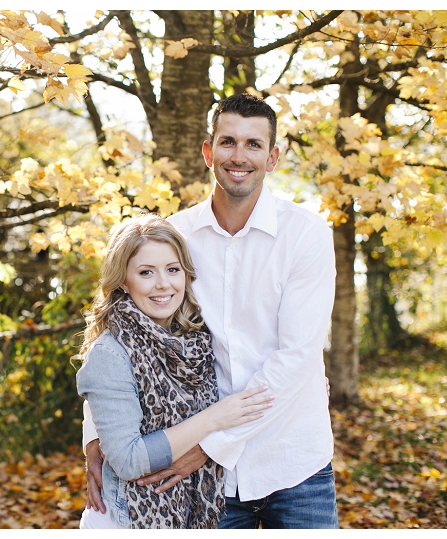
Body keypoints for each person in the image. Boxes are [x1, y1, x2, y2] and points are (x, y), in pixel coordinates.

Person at [83, 92, 339, 529]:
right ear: (208, 151)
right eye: (228, 142)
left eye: (254, 144)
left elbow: (296, 357)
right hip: (203, 478)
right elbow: (123, 329)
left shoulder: (307, 236)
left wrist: (209, 446)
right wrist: (96, 436)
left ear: (272, 157)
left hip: (292, 459)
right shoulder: (174, 236)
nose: (239, 156)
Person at [75, 214, 274, 529]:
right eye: (145, 272)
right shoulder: (110, 354)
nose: (163, 284)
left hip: (190, 514)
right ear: (123, 281)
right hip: (128, 520)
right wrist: (213, 419)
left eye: (172, 269)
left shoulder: (196, 340)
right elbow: (128, 461)